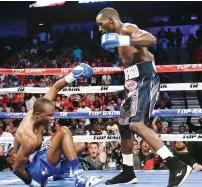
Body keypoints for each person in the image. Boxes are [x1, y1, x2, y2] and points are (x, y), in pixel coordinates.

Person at [96, 7, 192, 187]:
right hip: (131, 80)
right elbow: (149, 55)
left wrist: (123, 40)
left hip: (144, 78)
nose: (99, 29)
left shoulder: (127, 29)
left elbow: (151, 39)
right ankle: (127, 172)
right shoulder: (119, 38)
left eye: (100, 25)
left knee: (135, 123)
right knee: (124, 126)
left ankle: (176, 165)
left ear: (110, 20)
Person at [13, 63, 103, 187]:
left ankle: (60, 173)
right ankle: (80, 178)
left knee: (80, 146)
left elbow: (55, 88)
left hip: (39, 156)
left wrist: (72, 76)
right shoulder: (29, 138)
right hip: (35, 172)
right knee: (64, 131)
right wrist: (34, 184)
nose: (52, 118)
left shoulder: (38, 110)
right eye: (49, 115)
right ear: (38, 115)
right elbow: (16, 168)